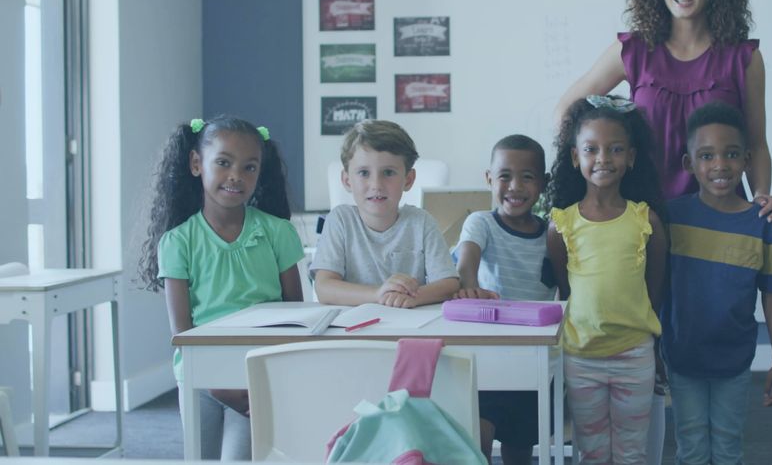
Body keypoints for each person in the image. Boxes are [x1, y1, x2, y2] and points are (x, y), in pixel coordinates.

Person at [555, 0, 772, 224]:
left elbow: (756, 144)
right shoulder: (632, 50)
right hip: (643, 218)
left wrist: (762, 197)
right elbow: (566, 110)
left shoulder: (744, 58)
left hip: (720, 216)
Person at [138, 116, 305, 461]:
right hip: (201, 379)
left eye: (249, 167)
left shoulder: (278, 233)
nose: (236, 176)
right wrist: (216, 383)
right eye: (224, 163)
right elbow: (181, 331)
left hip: (257, 375)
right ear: (197, 164)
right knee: (199, 459)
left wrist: (272, 377)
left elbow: (296, 315)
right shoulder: (177, 242)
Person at [662, 101, 772, 465]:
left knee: (728, 447)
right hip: (682, 356)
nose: (720, 165)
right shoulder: (672, 217)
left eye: (731, 154)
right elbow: (655, 288)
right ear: (689, 164)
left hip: (734, 361)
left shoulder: (762, 223)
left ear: (747, 160)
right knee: (692, 448)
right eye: (706, 155)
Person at [546, 95, 667, 465]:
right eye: (591, 149)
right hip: (582, 357)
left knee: (632, 451)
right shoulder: (561, 224)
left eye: (615, 149)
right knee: (593, 451)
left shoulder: (646, 220)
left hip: (634, 354)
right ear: (575, 157)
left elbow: (654, 290)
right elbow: (568, 292)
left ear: (630, 157)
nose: (603, 158)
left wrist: (654, 347)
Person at [452, 134, 554, 465]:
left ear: (543, 182)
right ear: (489, 179)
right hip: (486, 357)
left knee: (519, 449)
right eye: (505, 176)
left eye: (527, 177)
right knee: (477, 444)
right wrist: (469, 286)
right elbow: (467, 262)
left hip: (531, 358)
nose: (515, 186)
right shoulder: (481, 222)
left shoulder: (552, 232)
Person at [311, 119, 459, 307]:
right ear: (347, 181)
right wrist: (379, 294)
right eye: (364, 173)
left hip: (409, 326)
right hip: (352, 328)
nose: (376, 185)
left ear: (408, 179)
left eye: (388, 173)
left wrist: (414, 297)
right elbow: (323, 288)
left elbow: (449, 284)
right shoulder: (340, 221)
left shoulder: (422, 222)